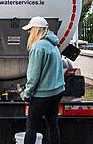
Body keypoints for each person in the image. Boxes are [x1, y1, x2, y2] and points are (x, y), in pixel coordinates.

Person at [20, 16, 65, 144]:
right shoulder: (53, 44)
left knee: (31, 128)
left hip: (42, 94)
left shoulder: (38, 47)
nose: (29, 32)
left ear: (36, 30)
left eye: (30, 29)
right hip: (57, 91)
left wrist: (27, 95)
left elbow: (33, 76)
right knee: (52, 125)